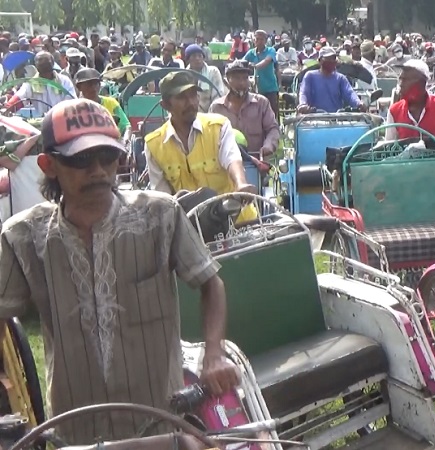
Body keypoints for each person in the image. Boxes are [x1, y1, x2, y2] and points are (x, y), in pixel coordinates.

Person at [0, 98, 238, 444]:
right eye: (81, 160)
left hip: (160, 422)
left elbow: (211, 283)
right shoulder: (23, 237)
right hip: (77, 429)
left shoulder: (160, 216)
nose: (98, 170)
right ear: (48, 165)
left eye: (108, 157)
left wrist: (214, 354)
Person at [144, 71, 257, 223]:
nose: (190, 102)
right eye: (181, 97)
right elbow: (163, 200)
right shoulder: (153, 144)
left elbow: (232, 159)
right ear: (165, 105)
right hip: (192, 232)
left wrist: (241, 184)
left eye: (193, 95)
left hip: (238, 221)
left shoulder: (218, 126)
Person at [210, 60, 279, 160]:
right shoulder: (217, 108)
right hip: (225, 166)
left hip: (256, 164)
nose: (242, 83)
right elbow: (209, 136)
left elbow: (272, 129)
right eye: (237, 78)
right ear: (227, 81)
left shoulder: (261, 103)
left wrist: (269, 145)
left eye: (245, 78)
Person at [385, 59, 435, 140]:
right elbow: (388, 148)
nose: (401, 84)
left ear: (422, 83)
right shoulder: (394, 111)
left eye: (406, 80)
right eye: (400, 79)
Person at [4, 52, 76, 117]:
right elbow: (19, 98)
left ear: (52, 64)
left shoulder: (64, 81)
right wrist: (6, 108)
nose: (44, 68)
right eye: (41, 65)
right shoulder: (31, 83)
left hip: (63, 119)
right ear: (36, 66)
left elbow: (71, 102)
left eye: (46, 65)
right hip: (44, 122)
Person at [297, 47, 365, 114]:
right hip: (314, 119)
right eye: (328, 59)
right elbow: (304, 93)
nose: (331, 61)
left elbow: (350, 94)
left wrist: (358, 103)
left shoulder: (340, 78)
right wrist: (303, 104)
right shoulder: (310, 76)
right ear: (320, 61)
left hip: (336, 119)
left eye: (333, 58)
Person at [73, 68, 131, 140]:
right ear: (79, 87)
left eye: (96, 84)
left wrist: (126, 139)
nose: (93, 88)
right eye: (89, 84)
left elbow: (126, 126)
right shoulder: (75, 109)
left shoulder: (111, 103)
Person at [244, 30, 279, 118]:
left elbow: (266, 61)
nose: (259, 41)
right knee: (258, 115)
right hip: (257, 90)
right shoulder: (251, 53)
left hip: (270, 88)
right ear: (253, 40)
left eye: (261, 39)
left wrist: (254, 66)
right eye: (257, 39)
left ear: (266, 40)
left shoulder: (271, 50)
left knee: (272, 115)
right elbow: (242, 62)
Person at [183, 44, 226, 112]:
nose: (197, 58)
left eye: (200, 56)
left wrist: (209, 116)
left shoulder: (213, 71)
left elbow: (218, 95)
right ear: (188, 60)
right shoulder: (183, 75)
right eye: (194, 56)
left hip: (210, 114)